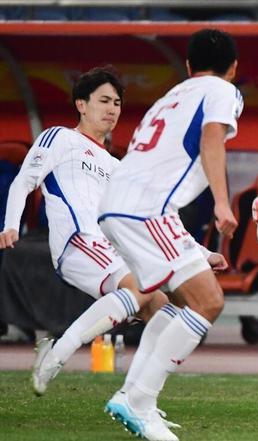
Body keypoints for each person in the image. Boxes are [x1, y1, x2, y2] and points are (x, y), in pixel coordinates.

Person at [98, 28, 242, 441]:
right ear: (233, 68)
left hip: (119, 205)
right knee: (208, 301)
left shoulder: (171, 96)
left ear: (188, 65)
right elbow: (211, 139)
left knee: (179, 303)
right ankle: (139, 400)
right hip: (146, 209)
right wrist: (222, 202)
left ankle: (133, 395)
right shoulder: (222, 90)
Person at [0, 66, 174, 398]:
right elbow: (23, 181)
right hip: (77, 241)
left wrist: (200, 254)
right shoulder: (59, 137)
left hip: (111, 249)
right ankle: (57, 353)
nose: (112, 109)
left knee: (162, 309)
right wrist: (10, 225)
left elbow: (145, 218)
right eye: (104, 100)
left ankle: (138, 400)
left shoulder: (117, 166)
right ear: (81, 104)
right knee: (140, 288)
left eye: (117, 103)